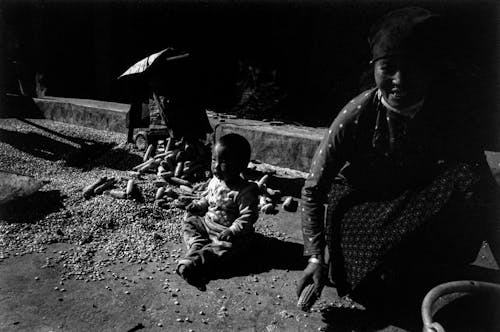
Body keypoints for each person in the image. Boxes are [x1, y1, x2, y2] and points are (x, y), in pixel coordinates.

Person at [297, 7, 499, 309]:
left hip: (417, 197)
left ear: (432, 70)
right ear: (374, 67)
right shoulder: (356, 115)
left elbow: (482, 190)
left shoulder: (452, 114)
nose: (400, 80)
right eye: (388, 67)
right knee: (371, 286)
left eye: (414, 68)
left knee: (469, 182)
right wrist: (315, 256)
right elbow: (314, 188)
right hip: (364, 202)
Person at [176, 133, 260, 289]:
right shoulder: (215, 181)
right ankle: (197, 244)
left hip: (226, 233)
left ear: (241, 165)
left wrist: (232, 230)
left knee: (225, 250)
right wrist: (199, 206)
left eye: (224, 162)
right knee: (189, 221)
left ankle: (194, 263)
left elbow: (248, 217)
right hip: (208, 224)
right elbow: (208, 198)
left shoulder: (246, 191)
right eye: (214, 159)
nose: (216, 165)